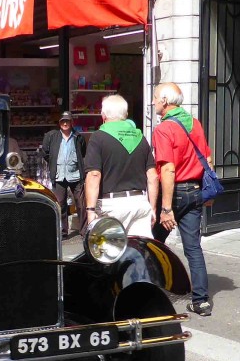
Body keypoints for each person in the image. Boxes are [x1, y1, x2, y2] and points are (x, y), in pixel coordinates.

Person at [151, 82, 214, 317]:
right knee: (193, 248)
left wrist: (166, 208)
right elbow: (208, 158)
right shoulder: (194, 123)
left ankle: (148, 291)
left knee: (153, 243)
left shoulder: (164, 129)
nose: (154, 101)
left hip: (174, 192)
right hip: (195, 189)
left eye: (156, 97)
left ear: (165, 102)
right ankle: (201, 301)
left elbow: (168, 169)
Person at [82, 94, 158, 238]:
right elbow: (153, 177)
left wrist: (90, 210)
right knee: (139, 254)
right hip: (139, 203)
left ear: (103, 115)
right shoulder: (140, 138)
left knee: (109, 255)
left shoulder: (98, 137)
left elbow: (94, 175)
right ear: (126, 114)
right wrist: (152, 207)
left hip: (110, 206)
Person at [40, 112, 87, 237]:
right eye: (62, 121)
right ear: (59, 123)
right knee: (60, 204)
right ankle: (63, 231)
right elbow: (45, 152)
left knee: (81, 204)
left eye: (67, 121)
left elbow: (82, 152)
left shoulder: (78, 137)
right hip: (59, 174)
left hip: (75, 174)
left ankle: (84, 231)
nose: (65, 124)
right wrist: (53, 162)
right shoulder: (52, 136)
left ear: (72, 123)